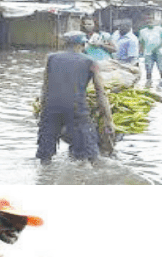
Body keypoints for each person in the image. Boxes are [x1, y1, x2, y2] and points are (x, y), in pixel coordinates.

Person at [36, 30, 114, 163]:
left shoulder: (51, 58)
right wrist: (108, 119)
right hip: (76, 108)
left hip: (51, 107)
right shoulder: (90, 62)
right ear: (83, 45)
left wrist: (42, 112)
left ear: (64, 44)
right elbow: (100, 92)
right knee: (89, 155)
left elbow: (45, 87)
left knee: (45, 154)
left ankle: (44, 178)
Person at [139, 16, 162, 87]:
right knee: (148, 67)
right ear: (145, 22)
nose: (150, 22)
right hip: (148, 52)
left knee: (161, 66)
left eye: (151, 20)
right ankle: (149, 81)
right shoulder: (142, 31)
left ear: (154, 21)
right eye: (148, 20)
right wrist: (141, 52)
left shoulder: (160, 29)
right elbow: (141, 42)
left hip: (159, 51)